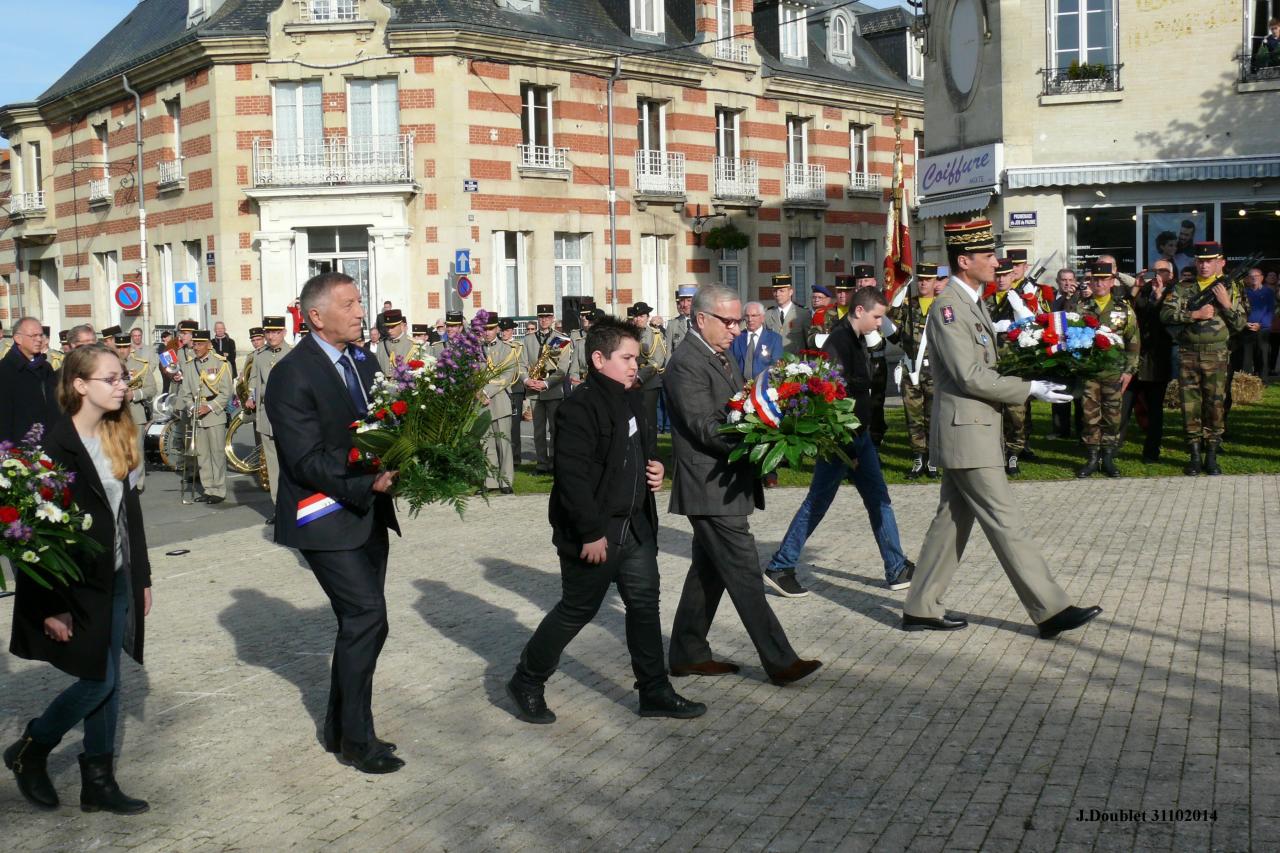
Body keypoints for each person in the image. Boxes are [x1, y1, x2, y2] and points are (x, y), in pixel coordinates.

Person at [902, 219, 1102, 639]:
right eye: (989, 256)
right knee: (1006, 521)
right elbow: (970, 375)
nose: (997, 262)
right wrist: (1029, 388)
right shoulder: (949, 306)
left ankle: (921, 608)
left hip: (972, 430)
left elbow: (984, 367)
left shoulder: (971, 302)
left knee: (951, 522)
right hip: (967, 433)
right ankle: (1051, 610)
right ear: (964, 260)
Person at [506, 316, 706, 724]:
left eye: (636, 357)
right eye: (627, 358)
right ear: (599, 359)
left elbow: (638, 451)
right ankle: (527, 680)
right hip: (595, 533)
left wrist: (655, 470)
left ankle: (654, 691)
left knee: (645, 607)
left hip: (636, 527)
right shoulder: (578, 407)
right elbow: (572, 479)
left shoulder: (633, 398)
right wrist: (590, 533)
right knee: (576, 610)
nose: (636, 365)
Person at [5, 344, 153, 814]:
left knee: (109, 680)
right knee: (98, 682)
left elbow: (129, 513)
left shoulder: (117, 431)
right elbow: (38, 539)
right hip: (76, 586)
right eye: (111, 379)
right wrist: (52, 606)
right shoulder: (55, 446)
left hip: (116, 578)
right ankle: (32, 748)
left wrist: (142, 575)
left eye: (123, 377)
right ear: (80, 385)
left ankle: (99, 783)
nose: (122, 385)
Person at [267, 271, 403, 774]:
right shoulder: (291, 374)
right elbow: (304, 460)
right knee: (368, 617)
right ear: (317, 316)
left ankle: (338, 726)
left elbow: (378, 424)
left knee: (362, 623)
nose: (360, 312)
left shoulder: (363, 359)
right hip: (323, 515)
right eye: (349, 305)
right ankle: (357, 741)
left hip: (367, 514)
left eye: (360, 302)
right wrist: (367, 482)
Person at [664, 283, 821, 686]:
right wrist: (759, 437)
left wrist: (771, 429)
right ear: (702, 319)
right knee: (745, 573)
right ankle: (781, 661)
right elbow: (704, 426)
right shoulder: (686, 362)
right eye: (728, 321)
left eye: (738, 321)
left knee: (708, 572)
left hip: (726, 482)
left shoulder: (719, 353)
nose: (736, 329)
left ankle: (687, 652)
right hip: (709, 486)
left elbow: (742, 403)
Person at [765, 286, 916, 596]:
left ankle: (896, 566)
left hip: (858, 438)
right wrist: (847, 448)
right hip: (843, 442)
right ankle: (780, 566)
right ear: (859, 311)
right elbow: (831, 398)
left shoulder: (856, 339)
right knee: (818, 503)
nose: (879, 324)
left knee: (879, 500)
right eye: (876, 317)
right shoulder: (838, 342)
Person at [1160, 241, 1247, 475]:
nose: (1204, 265)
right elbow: (1166, 314)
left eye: (1209, 261)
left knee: (1215, 405)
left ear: (1221, 262)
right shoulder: (1183, 287)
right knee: (1189, 405)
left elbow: (1240, 324)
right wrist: (1193, 314)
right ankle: (1194, 455)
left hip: (1217, 354)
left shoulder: (1231, 287)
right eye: (1200, 261)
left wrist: (1226, 304)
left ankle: (1211, 454)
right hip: (1188, 353)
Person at [1076, 261, 1140, 478]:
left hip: (1114, 371)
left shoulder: (1123, 308)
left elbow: (1133, 341)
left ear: (1112, 282)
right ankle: (1092, 456)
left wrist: (1129, 370)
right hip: (1089, 371)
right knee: (1089, 415)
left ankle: (1109, 457)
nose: (1099, 283)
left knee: (1113, 415)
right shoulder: (1080, 307)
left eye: (1104, 279)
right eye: (1095, 279)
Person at [894, 263, 946, 479]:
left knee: (933, 416)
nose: (923, 283)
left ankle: (933, 459)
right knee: (913, 416)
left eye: (928, 279)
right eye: (921, 279)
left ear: (936, 282)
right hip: (911, 369)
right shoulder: (907, 305)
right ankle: (918, 457)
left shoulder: (943, 306)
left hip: (935, 370)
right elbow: (894, 330)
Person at [984, 258, 1032, 475]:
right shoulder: (986, 301)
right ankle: (998, 452)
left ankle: (1014, 453)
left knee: (1016, 413)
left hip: (1015, 363)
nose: (1001, 279)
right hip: (993, 364)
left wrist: (1020, 311)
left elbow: (1035, 324)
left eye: (1006, 275)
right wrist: (995, 327)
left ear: (1013, 276)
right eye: (998, 275)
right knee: (995, 411)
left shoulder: (1022, 298)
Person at [1126, 259, 1175, 462]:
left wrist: (1159, 296)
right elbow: (1123, 313)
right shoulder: (1143, 291)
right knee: (1124, 404)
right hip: (1134, 357)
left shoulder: (1174, 292)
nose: (1157, 275)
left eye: (1162, 271)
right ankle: (1112, 447)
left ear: (1170, 275)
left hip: (1156, 358)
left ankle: (1151, 451)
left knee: (1154, 408)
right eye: (1154, 270)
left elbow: (1164, 320)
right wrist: (1136, 288)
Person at [179, 329, 233, 503]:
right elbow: (185, 392)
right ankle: (208, 488)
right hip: (197, 415)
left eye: (200, 344)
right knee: (202, 455)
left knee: (216, 454)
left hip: (214, 414)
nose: (196, 347)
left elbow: (226, 393)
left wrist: (208, 407)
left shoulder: (221, 363)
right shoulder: (189, 366)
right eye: (194, 344)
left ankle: (219, 490)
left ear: (209, 345)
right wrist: (191, 407)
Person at [246, 316, 292, 516]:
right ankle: (278, 508)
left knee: (289, 463)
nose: (272, 336)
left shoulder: (293, 354)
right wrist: (251, 395)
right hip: (266, 415)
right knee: (273, 464)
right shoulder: (260, 355)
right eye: (269, 332)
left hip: (287, 416)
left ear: (284, 332)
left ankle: (293, 505)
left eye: (276, 332)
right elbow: (254, 380)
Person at [521, 304, 573, 474]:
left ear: (552, 319)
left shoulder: (562, 339)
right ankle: (542, 464)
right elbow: (521, 364)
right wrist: (527, 380)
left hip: (552, 390)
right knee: (538, 431)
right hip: (534, 390)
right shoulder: (528, 339)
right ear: (538, 319)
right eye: (541, 317)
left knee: (555, 429)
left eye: (547, 317)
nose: (544, 320)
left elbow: (563, 368)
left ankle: (555, 463)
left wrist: (546, 383)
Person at [478, 311, 521, 493]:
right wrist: (478, 392)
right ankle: (490, 481)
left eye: (490, 329)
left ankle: (506, 482)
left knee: (503, 443)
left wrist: (486, 391)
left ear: (497, 329)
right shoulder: (475, 349)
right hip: (479, 401)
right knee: (485, 443)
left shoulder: (507, 349)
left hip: (500, 400)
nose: (487, 332)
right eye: (484, 329)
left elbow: (507, 376)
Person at [0, 317, 59, 444]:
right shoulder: (5, 370)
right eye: (33, 336)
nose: (39, 339)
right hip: (20, 449)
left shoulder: (46, 368)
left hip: (50, 442)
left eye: (40, 335)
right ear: (18, 338)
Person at [117, 333, 157, 492]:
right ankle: (122, 478)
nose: (122, 351)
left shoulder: (140, 364)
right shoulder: (108, 365)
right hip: (115, 414)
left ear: (130, 347)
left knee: (136, 449)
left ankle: (138, 483)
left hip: (135, 412)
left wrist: (134, 395)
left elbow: (151, 388)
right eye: (119, 347)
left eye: (125, 347)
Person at [764, 274, 812, 356]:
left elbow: (809, 343)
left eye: (781, 291)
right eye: (775, 291)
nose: (777, 294)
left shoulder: (802, 314)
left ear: (790, 292)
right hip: (774, 364)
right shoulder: (767, 315)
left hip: (795, 364)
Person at [501, 318, 526, 465]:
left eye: (508, 330)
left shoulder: (519, 346)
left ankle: (516, 457)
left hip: (515, 388)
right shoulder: (496, 346)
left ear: (512, 331)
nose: (504, 333)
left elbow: (522, 365)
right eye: (503, 330)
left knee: (514, 425)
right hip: (500, 388)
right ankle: (503, 457)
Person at [1242, 268, 1274, 378]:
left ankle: (1263, 380)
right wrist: (1245, 323)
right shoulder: (1244, 292)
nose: (1254, 277)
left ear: (1262, 277)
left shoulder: (1268, 292)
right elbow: (1240, 310)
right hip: (1247, 328)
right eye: (1251, 276)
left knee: (1263, 356)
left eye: (1256, 275)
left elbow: (1270, 310)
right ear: (1248, 279)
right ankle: (1246, 381)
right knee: (1246, 357)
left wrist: (1260, 325)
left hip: (1263, 329)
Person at [568, 301, 598, 389]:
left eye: (587, 315)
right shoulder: (574, 335)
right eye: (582, 315)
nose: (584, 318)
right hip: (580, 380)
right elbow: (571, 360)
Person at [376, 309, 413, 374]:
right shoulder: (381, 345)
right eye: (387, 327)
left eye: (392, 327)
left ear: (401, 325)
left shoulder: (412, 344)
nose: (389, 330)